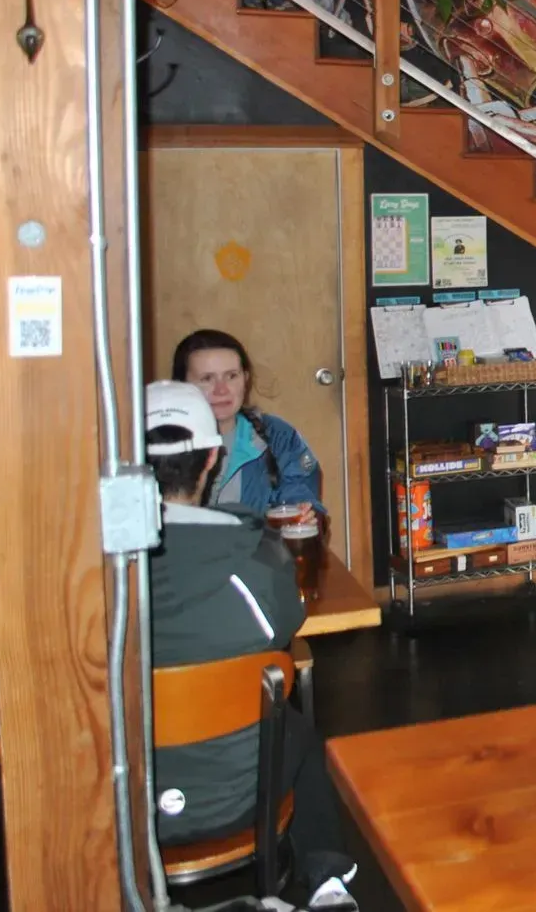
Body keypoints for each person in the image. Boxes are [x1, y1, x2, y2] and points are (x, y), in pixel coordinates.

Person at [144, 380, 356, 907]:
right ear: (213, 458)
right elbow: (286, 624)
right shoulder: (255, 563)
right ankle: (327, 883)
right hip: (238, 800)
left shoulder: (96, 575)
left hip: (121, 803)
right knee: (296, 727)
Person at [172, 329, 325, 517]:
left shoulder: (278, 436)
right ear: (181, 385)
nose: (222, 390)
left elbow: (302, 499)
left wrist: (306, 515)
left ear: (246, 378)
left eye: (231, 376)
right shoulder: (161, 443)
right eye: (207, 379)